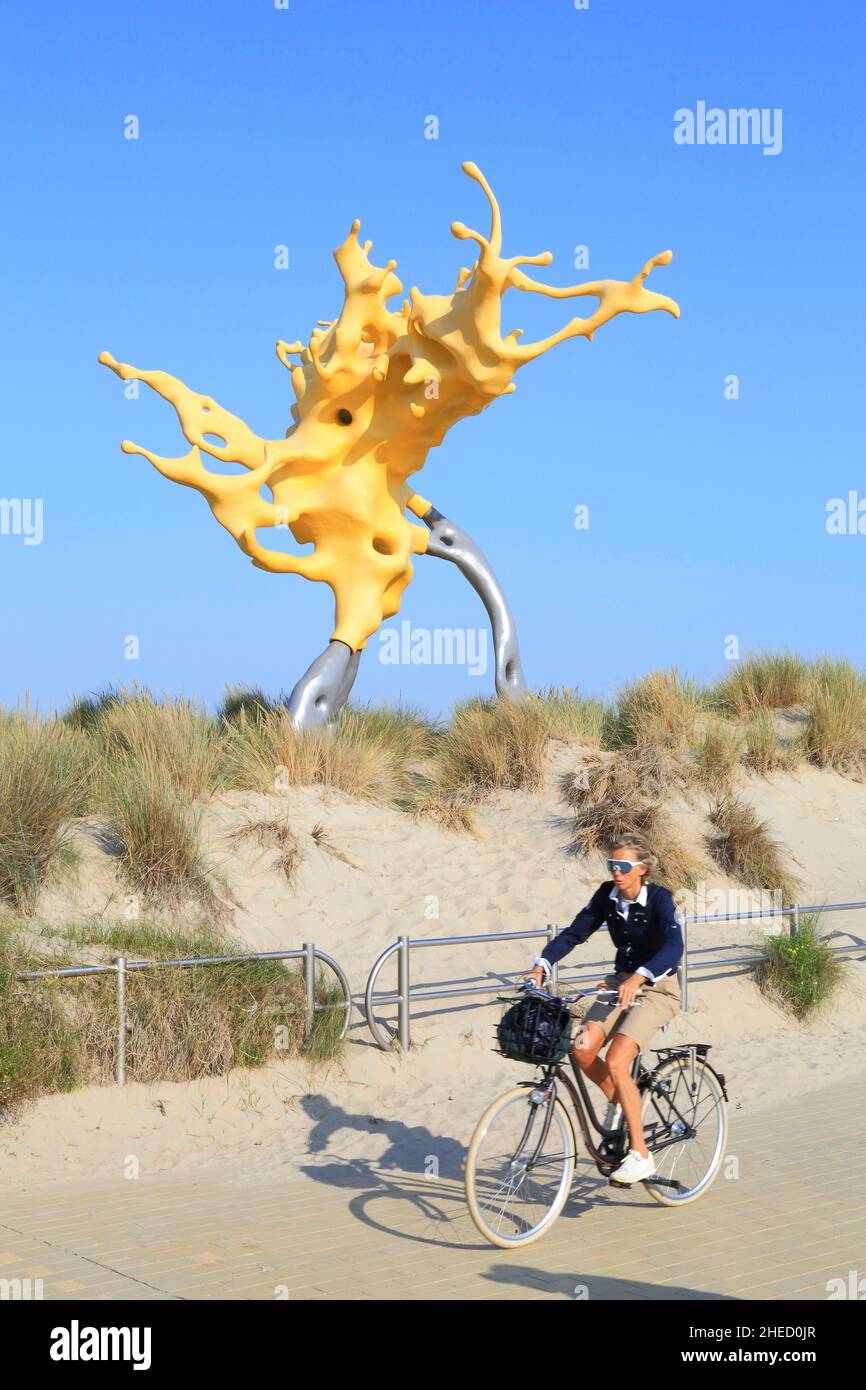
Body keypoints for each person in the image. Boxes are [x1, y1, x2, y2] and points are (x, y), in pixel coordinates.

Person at [524, 833, 683, 1185]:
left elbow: (674, 947)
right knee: (581, 1049)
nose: (616, 872)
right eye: (612, 865)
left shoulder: (659, 899)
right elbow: (574, 934)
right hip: (618, 984)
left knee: (616, 1060)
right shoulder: (606, 897)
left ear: (642, 869)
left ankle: (640, 1154)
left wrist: (639, 978)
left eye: (623, 867)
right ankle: (627, 1102)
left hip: (658, 988)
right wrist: (542, 965)